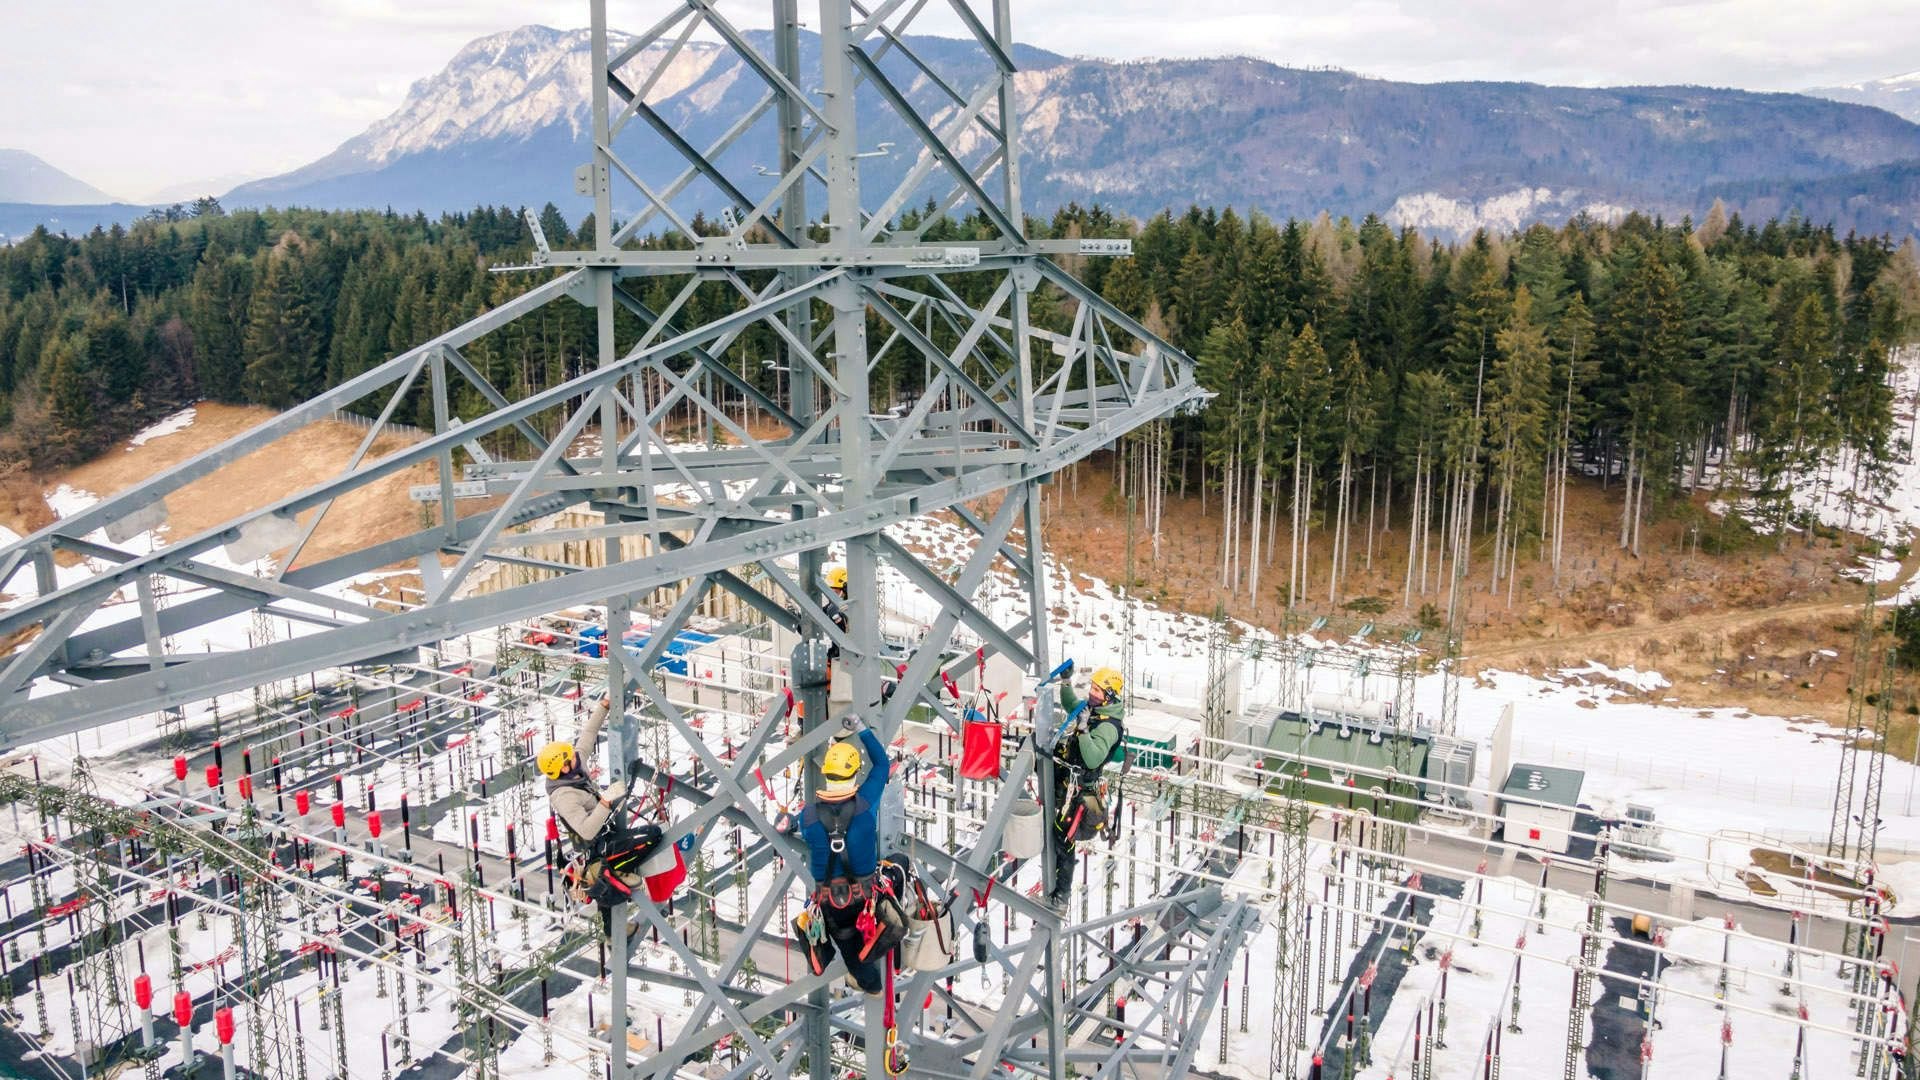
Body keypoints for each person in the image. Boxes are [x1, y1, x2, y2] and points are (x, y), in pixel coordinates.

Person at [538, 695, 660, 928]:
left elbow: (587, 736)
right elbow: (586, 830)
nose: (575, 758)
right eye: (569, 759)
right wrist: (605, 801)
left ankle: (613, 926)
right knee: (652, 836)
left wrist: (603, 706)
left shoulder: (574, 770)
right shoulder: (564, 795)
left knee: (618, 859)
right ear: (562, 769)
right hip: (596, 844)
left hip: (604, 838)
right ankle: (615, 872)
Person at [797, 712, 893, 992]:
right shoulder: (865, 804)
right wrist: (862, 729)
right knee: (898, 866)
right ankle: (887, 950)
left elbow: (809, 832)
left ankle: (868, 979)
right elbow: (882, 764)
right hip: (867, 897)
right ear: (855, 772)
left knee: (853, 953)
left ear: (825, 773)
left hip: (831, 904)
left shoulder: (809, 817)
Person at [1048, 666, 1125, 912]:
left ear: (1110, 696)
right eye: (1091, 688)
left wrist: (1082, 730)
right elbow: (1072, 703)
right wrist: (1066, 681)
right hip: (1069, 778)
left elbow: (1093, 758)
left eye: (1097, 690)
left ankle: (1062, 895)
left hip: (1082, 787)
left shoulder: (1108, 726)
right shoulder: (1094, 710)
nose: (1091, 693)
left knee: (1064, 838)